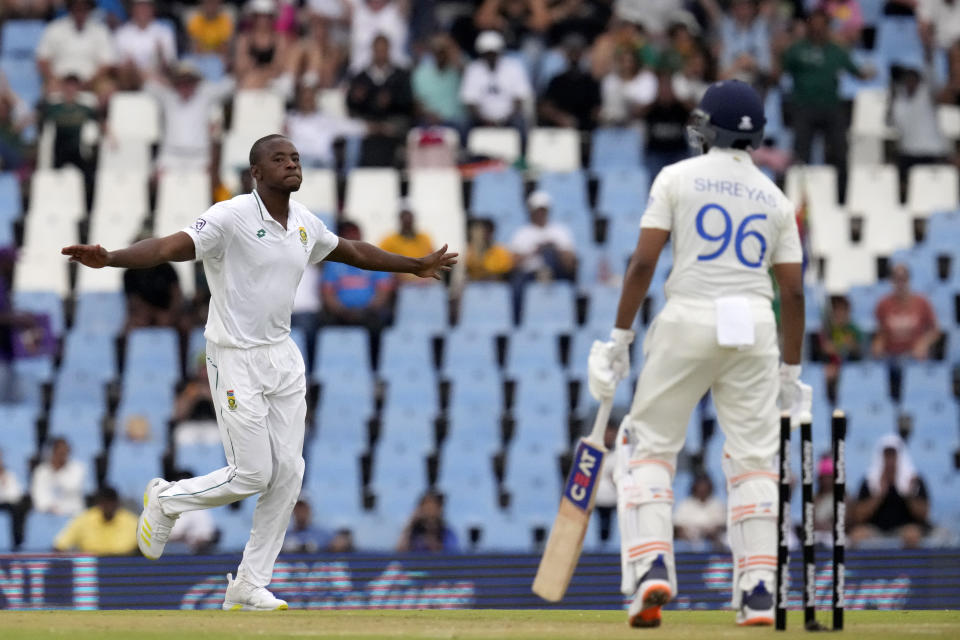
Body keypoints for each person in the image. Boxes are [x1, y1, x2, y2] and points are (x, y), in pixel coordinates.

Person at [61, 133, 456, 611]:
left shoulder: (304, 223)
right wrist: (113, 258)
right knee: (253, 473)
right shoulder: (230, 216)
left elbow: (352, 252)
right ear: (256, 172)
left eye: (295, 157)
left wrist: (413, 264)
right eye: (279, 158)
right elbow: (171, 245)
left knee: (289, 472)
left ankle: (248, 583)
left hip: (281, 356)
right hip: (233, 356)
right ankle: (166, 499)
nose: (291, 163)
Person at [587, 80, 808, 627]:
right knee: (756, 459)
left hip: (689, 317)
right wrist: (793, 371)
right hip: (755, 326)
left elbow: (642, 265)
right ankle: (759, 589)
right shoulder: (776, 198)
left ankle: (651, 570)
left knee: (647, 449)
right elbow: (795, 292)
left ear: (709, 129)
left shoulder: (676, 177)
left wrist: (619, 337)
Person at [779, 9, 872, 197]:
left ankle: (841, 197)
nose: (818, 30)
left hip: (831, 107)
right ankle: (798, 195)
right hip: (804, 107)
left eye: (822, 26)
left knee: (840, 152)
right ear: (808, 27)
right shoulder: (797, 49)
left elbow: (857, 72)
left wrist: (870, 72)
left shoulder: (836, 51)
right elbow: (780, 70)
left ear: (828, 28)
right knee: (801, 155)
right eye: (814, 26)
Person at [851, 434, 930, 548]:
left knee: (912, 534)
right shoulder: (869, 480)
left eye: (893, 455)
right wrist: (879, 494)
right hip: (875, 529)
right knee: (857, 535)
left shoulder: (914, 480)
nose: (890, 460)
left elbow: (924, 514)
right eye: (887, 456)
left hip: (904, 528)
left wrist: (908, 494)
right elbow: (858, 516)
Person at [346, 34, 413, 167]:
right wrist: (357, 99)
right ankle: (351, 171)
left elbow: (408, 103)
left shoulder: (400, 75)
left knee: (401, 127)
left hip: (392, 121)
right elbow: (350, 106)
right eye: (378, 50)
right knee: (353, 129)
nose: (381, 54)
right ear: (373, 51)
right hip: (367, 122)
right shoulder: (360, 76)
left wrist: (392, 100)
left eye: (384, 50)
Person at [321, 221, 395, 331]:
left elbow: (383, 292)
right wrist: (342, 311)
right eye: (348, 234)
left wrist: (367, 310)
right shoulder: (332, 263)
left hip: (370, 313)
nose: (353, 237)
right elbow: (328, 294)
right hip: (341, 315)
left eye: (355, 233)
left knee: (382, 319)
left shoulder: (375, 259)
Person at [35, 0, 117, 96]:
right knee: (51, 88)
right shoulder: (54, 28)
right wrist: (57, 80)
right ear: (70, 8)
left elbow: (107, 63)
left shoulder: (101, 30)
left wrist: (89, 82)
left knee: (108, 89)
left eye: (83, 7)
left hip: (92, 82)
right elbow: (42, 60)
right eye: (76, 7)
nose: (80, 11)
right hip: (59, 81)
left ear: (90, 9)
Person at [460, 30, 533, 129]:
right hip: (480, 118)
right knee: (463, 125)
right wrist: (484, 120)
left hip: (509, 117)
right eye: (487, 53)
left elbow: (519, 98)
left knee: (521, 124)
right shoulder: (473, 69)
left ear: (500, 52)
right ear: (481, 53)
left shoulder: (514, 67)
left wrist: (506, 119)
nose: (491, 57)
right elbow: (470, 102)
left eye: (493, 53)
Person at [872, 263, 941, 360]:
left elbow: (935, 331)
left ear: (909, 279)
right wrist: (878, 343)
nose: (900, 283)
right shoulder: (883, 304)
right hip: (890, 357)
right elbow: (880, 331)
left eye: (903, 279)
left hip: (914, 357)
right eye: (896, 279)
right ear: (891, 281)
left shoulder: (922, 303)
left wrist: (924, 343)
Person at [538, 34, 601, 131]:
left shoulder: (591, 81)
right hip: (560, 130)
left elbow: (596, 109)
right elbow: (546, 107)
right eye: (571, 51)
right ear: (566, 53)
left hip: (585, 131)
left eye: (577, 51)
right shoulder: (557, 80)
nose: (574, 55)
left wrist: (580, 123)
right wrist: (561, 119)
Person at [53, 486, 138, 555]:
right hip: (91, 568)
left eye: (111, 502)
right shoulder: (83, 519)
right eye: (104, 502)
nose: (108, 506)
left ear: (117, 503)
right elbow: (59, 546)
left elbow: (148, 548)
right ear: (98, 503)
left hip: (123, 569)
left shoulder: (132, 521)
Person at [114, 0, 177, 89]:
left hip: (160, 79)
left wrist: (161, 55)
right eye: (139, 6)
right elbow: (121, 67)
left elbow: (170, 65)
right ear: (132, 9)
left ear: (153, 8)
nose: (143, 10)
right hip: (132, 81)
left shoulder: (164, 31)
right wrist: (147, 76)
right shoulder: (122, 33)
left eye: (146, 6)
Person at [378, 200, 434, 284]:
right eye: (404, 216)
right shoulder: (388, 240)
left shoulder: (425, 237)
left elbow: (433, 261)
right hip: (401, 285)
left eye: (409, 216)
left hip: (425, 282)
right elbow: (379, 262)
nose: (407, 220)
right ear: (399, 219)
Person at [30, 437, 88, 516]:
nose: (62, 455)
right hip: (47, 515)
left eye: (65, 452)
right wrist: (48, 507)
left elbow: (73, 488)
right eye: (59, 452)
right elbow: (37, 494)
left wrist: (57, 472)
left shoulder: (78, 469)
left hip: (72, 514)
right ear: (52, 452)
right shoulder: (41, 471)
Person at [819, 295, 863, 388]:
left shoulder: (853, 328)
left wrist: (841, 347)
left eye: (843, 310)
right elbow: (827, 348)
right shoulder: (828, 328)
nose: (840, 314)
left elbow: (856, 347)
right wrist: (843, 345)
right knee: (828, 370)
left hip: (849, 362)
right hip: (831, 362)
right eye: (837, 311)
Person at [673, 474, 726, 547]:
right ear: (694, 487)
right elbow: (678, 526)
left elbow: (721, 525)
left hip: (712, 544)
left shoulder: (717, 504)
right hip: (688, 544)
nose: (702, 489)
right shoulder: (685, 505)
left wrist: (711, 532)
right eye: (700, 486)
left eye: (705, 487)